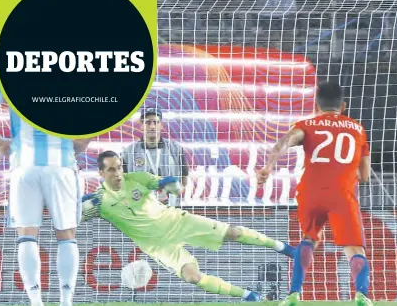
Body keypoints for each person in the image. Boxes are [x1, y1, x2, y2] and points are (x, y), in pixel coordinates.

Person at [81, 150, 296, 301]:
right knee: (192, 277)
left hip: (178, 221)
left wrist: (172, 185)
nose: (118, 173)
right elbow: (75, 217)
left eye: (119, 168)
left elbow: (165, 183)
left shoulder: (137, 178)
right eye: (111, 170)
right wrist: (79, 208)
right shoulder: (98, 202)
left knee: (232, 232)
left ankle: (283, 247)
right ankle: (248, 295)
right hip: (159, 246)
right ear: (101, 173)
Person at [256, 82, 372, 306]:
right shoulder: (357, 129)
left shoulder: (307, 124)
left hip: (310, 192)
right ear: (343, 105)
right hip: (342, 194)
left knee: (309, 239)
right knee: (354, 249)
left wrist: (268, 167)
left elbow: (284, 142)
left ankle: (294, 294)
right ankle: (362, 295)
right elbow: (365, 176)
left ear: (317, 105)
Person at [0, 79, 91, 306]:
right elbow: (99, 115)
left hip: (24, 164)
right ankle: (65, 302)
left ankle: (36, 302)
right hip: (61, 165)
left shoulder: (11, 73)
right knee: (66, 235)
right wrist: (82, 141)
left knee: (27, 234)